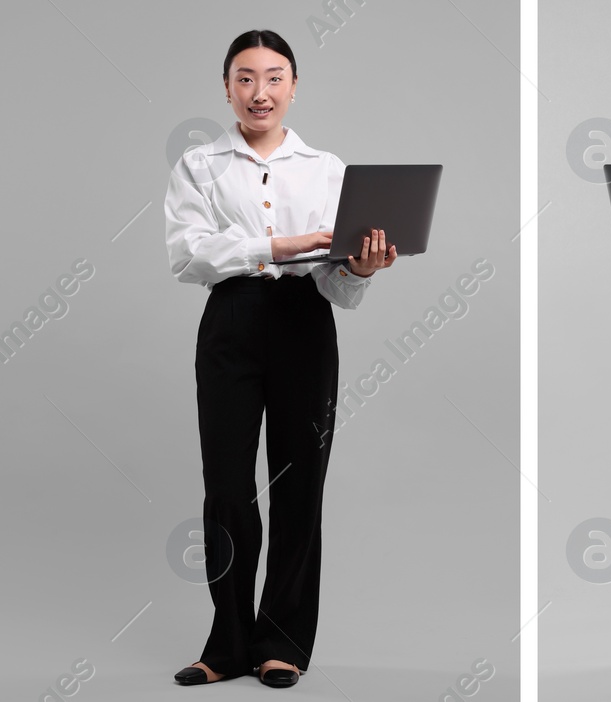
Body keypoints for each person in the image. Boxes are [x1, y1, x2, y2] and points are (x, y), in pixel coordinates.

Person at [165, 29, 397, 688]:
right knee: (229, 490)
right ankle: (228, 643)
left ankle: (283, 642)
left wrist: (364, 267)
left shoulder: (328, 169)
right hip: (231, 322)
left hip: (304, 323)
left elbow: (337, 287)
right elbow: (188, 254)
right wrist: (279, 244)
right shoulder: (199, 166)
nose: (259, 92)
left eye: (273, 77)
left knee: (301, 485)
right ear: (227, 87)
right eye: (244, 78)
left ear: (294, 86)